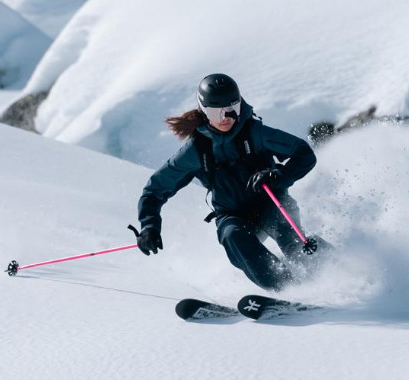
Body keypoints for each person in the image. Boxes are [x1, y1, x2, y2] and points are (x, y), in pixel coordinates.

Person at [136, 73, 318, 291]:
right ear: (204, 110)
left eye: (232, 108)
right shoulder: (196, 150)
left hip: (272, 203)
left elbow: (304, 153)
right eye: (216, 111)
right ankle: (290, 290)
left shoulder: (255, 133)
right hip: (233, 215)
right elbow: (155, 189)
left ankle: (336, 270)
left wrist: (278, 176)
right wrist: (149, 226)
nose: (226, 117)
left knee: (291, 238)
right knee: (233, 237)